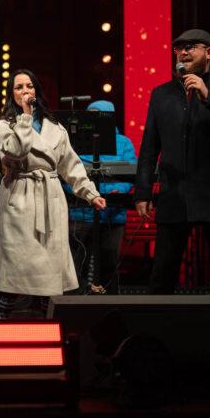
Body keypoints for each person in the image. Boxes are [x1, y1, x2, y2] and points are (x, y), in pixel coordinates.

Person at [135, 29, 210, 294]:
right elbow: (150, 146)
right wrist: (143, 191)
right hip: (176, 195)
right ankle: (158, 322)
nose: (184, 52)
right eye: (179, 48)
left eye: (191, 46)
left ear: (208, 52)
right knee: (161, 276)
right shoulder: (162, 93)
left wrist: (208, 95)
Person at [0, 69, 106, 317]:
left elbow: (70, 164)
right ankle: (1, 323)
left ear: (37, 91)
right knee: (17, 267)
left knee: (48, 271)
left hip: (50, 198)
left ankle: (47, 325)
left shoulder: (55, 127)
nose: (25, 91)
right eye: (19, 87)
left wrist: (90, 193)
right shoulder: (4, 125)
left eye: (29, 86)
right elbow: (16, 152)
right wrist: (25, 118)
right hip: (20, 198)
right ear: (12, 94)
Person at [65, 100, 137, 294]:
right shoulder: (76, 143)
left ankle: (110, 304)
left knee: (108, 266)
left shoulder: (124, 143)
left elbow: (132, 173)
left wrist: (119, 189)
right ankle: (74, 305)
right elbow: (65, 174)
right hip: (81, 214)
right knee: (76, 265)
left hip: (112, 214)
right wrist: (82, 192)